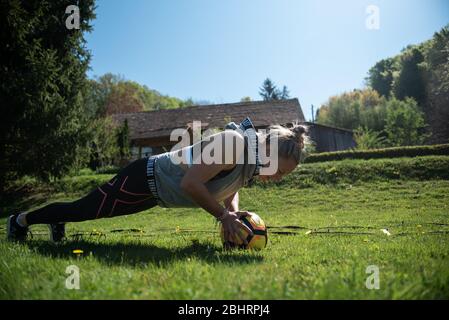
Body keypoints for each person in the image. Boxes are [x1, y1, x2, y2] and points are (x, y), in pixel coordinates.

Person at [7, 117, 307, 245]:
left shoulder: (250, 162)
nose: (277, 179)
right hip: (142, 179)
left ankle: (59, 221)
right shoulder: (233, 143)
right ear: (267, 150)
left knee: (86, 211)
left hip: (153, 195)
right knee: (81, 209)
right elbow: (191, 183)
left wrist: (234, 211)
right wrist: (223, 216)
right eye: (279, 172)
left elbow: (231, 187)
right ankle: (20, 220)